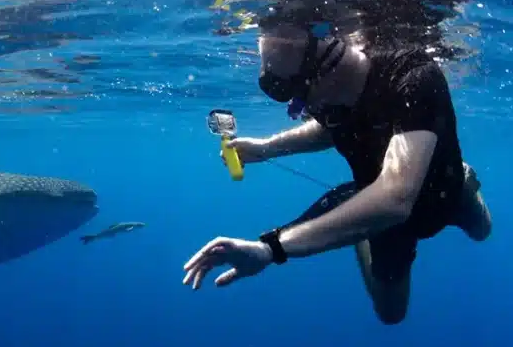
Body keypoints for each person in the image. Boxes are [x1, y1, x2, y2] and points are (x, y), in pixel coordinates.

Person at [183, 22, 492, 325]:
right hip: (383, 213)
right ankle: (359, 222)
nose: (295, 107)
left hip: (439, 193)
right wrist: (267, 148)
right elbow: (330, 128)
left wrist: (271, 248)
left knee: (483, 231)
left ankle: (379, 217)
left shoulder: (413, 76)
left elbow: (395, 198)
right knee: (391, 314)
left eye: (297, 96)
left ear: (324, 72)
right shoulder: (335, 94)